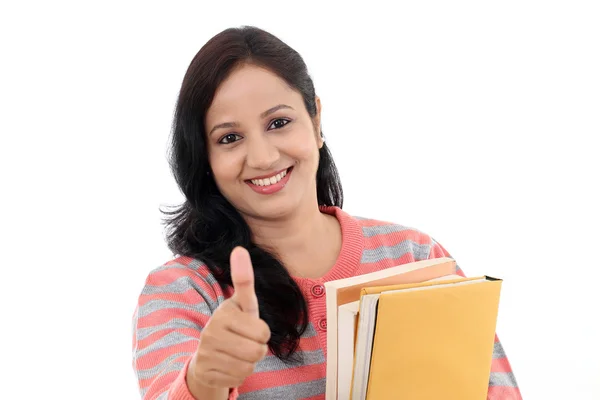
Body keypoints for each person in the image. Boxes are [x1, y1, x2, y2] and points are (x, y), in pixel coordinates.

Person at [131, 25, 521, 400]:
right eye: (229, 138)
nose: (264, 157)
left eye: (279, 123)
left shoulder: (415, 259)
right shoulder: (183, 293)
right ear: (205, 157)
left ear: (316, 121)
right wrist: (203, 381)